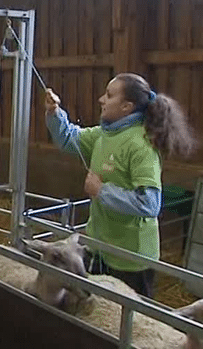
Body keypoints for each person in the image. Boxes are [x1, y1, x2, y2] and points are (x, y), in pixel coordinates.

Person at [45, 72, 197, 298]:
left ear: (126, 106)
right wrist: (54, 112)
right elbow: (69, 138)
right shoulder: (104, 135)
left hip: (131, 259)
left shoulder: (141, 146)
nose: (101, 99)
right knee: (97, 313)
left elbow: (149, 203)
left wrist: (101, 191)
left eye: (109, 95)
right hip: (101, 249)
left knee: (130, 323)